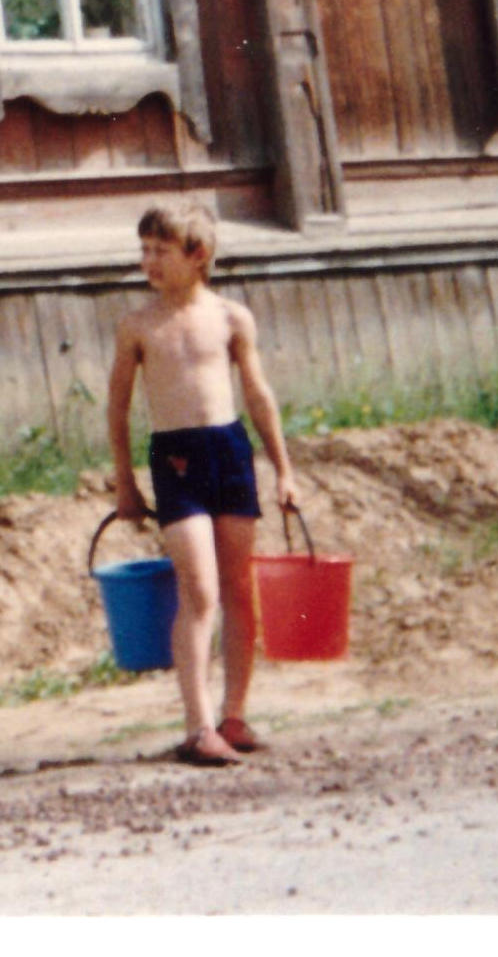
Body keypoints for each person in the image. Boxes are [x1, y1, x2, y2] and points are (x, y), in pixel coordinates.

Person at [104, 201, 298, 766]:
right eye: (143, 251)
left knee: (239, 590)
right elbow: (116, 410)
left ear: (198, 256)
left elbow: (259, 397)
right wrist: (126, 483)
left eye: (160, 252)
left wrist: (284, 470)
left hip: (230, 453)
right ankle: (198, 726)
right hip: (177, 461)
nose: (149, 262)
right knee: (200, 591)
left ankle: (234, 715)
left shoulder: (232, 318)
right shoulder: (138, 325)